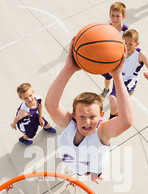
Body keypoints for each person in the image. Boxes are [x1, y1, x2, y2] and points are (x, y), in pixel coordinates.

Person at [45, 39, 133, 183]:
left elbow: (126, 121)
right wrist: (68, 68)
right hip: (75, 163)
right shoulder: (69, 124)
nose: (87, 122)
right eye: (81, 116)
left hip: (96, 164)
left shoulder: (102, 132)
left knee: (94, 174)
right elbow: (50, 104)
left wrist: (117, 76)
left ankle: (96, 175)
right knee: (80, 172)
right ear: (74, 114)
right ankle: (86, 173)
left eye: (92, 116)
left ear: (102, 116)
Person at [109, 29, 148, 119]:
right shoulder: (119, 50)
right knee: (112, 99)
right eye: (125, 43)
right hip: (118, 78)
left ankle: (112, 118)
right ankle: (114, 116)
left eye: (130, 44)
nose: (127, 47)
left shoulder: (140, 54)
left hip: (129, 81)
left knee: (115, 99)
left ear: (136, 44)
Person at [101, 2, 129, 99]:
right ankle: (106, 89)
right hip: (108, 60)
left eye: (118, 16)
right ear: (109, 15)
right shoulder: (107, 28)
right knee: (107, 77)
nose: (114, 18)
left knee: (118, 80)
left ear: (123, 16)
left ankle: (120, 94)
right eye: (112, 15)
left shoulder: (126, 31)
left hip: (120, 60)